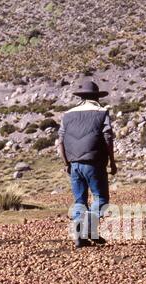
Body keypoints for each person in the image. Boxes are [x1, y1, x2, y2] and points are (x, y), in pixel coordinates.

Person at [58, 81, 117, 248]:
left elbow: (60, 141)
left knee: (80, 199)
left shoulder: (68, 114)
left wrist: (66, 163)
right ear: (97, 97)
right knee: (101, 198)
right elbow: (107, 139)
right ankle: (89, 229)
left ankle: (79, 233)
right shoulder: (101, 112)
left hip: (74, 164)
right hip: (94, 163)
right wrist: (112, 162)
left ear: (81, 97)